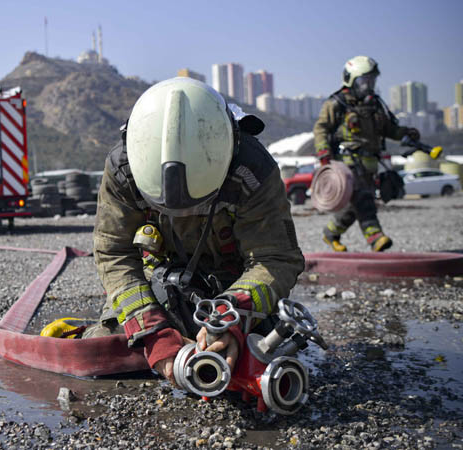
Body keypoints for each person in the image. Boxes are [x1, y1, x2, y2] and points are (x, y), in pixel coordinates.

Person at [88, 77, 304, 385]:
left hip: (233, 286)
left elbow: (276, 258)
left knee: (257, 359)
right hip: (156, 285)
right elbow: (114, 252)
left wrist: (230, 316)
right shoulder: (125, 168)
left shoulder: (252, 170)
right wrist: (152, 330)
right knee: (105, 348)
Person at [314, 56, 420, 252]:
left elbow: (389, 129)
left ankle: (330, 234)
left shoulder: (376, 105)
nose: (369, 85)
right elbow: (321, 128)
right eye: (364, 81)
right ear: (351, 79)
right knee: (364, 200)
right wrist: (324, 154)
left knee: (353, 208)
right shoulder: (337, 103)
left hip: (370, 163)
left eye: (372, 80)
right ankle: (375, 238)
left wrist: (405, 132)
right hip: (347, 162)